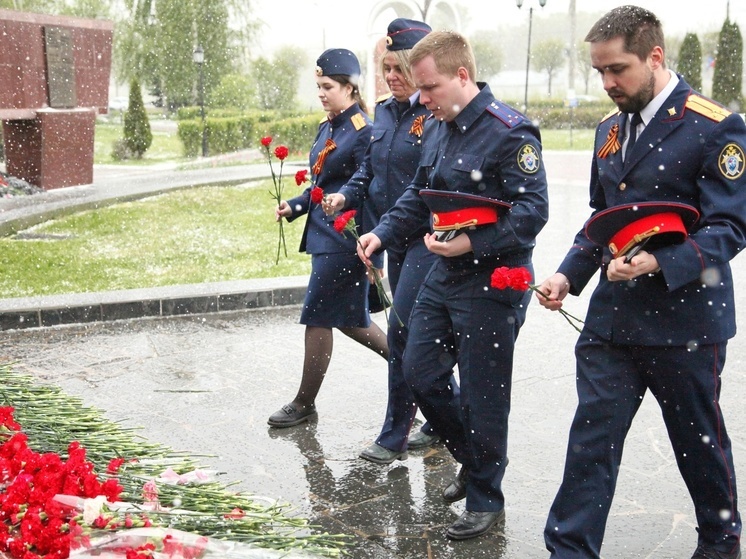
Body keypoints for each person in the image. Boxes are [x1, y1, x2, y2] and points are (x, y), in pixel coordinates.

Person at [536, 6, 746, 559]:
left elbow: (732, 226)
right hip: (613, 320)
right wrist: (566, 274)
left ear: (655, 56)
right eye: (599, 72)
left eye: (618, 70)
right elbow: (600, 219)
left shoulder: (713, 124)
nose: (607, 84)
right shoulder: (609, 129)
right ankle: (570, 549)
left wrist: (660, 262)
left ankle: (722, 543)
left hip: (687, 320)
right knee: (590, 444)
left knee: (697, 446)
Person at [356, 30, 548, 540]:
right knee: (418, 369)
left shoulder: (510, 132)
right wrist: (381, 231)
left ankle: (486, 496)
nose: (422, 99)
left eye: (430, 88)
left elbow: (533, 212)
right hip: (445, 276)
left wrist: (473, 245)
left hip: (492, 281)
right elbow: (421, 195)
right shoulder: (438, 127)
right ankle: (473, 461)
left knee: (485, 393)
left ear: (462, 76)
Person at [324, 18, 451, 464]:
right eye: (387, 68)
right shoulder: (385, 112)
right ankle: (441, 418)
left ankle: (395, 432)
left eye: (400, 68)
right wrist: (347, 194)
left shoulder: (434, 114)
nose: (392, 77)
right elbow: (372, 169)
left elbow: (426, 185)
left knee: (401, 332)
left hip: (426, 239)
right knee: (421, 336)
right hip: (392, 239)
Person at [267, 48, 389, 428]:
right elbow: (322, 184)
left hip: (346, 239)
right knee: (351, 320)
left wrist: (345, 203)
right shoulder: (328, 126)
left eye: (328, 86)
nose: (321, 93)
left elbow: (363, 182)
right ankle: (418, 370)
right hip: (324, 236)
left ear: (350, 88)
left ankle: (304, 403)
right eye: (318, 86)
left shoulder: (365, 131)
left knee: (320, 316)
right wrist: (296, 205)